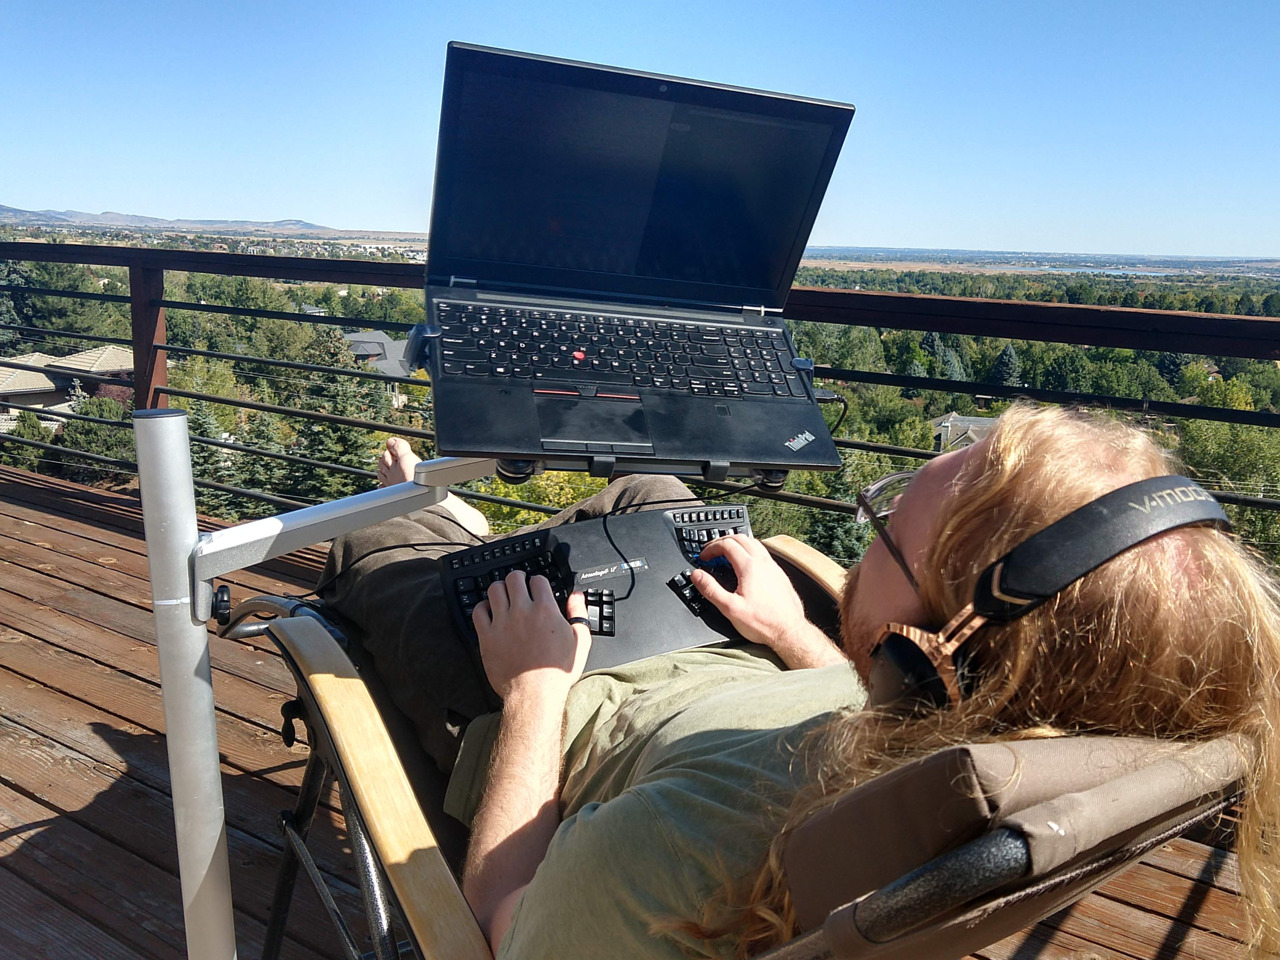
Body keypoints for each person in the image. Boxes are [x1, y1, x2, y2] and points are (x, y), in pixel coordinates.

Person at [319, 406, 1280, 960]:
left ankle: (447, 524)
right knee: (648, 495)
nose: (869, 534)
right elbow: (874, 724)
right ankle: (504, 548)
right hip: (736, 658)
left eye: (888, 524)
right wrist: (796, 635)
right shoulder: (975, 746)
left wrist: (531, 686)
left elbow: (506, 926)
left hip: (554, 699)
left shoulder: (688, 844)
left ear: (928, 647)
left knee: (386, 532)